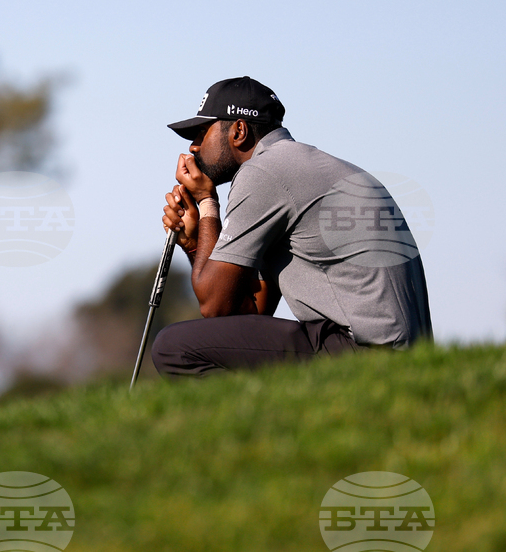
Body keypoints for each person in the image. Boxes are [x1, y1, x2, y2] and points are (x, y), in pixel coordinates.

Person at [152, 76, 432, 377]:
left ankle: (267, 424)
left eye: (201, 133)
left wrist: (207, 203)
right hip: (396, 355)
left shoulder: (263, 172)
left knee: (173, 347)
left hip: (366, 354)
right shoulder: (300, 168)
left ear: (239, 131)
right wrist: (196, 243)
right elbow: (244, 311)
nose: (193, 148)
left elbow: (215, 307)